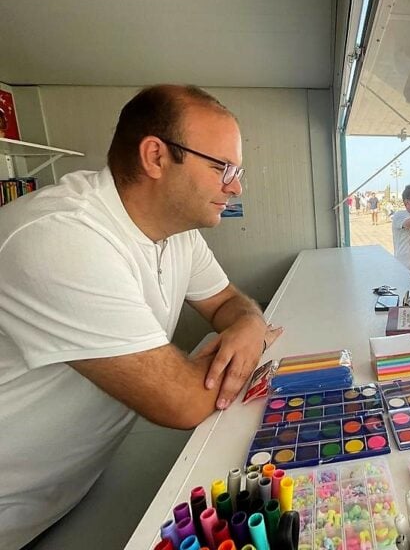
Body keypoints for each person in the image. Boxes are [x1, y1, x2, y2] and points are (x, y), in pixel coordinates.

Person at [0, 84, 283, 548]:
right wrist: (238, 341)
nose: (235, 186)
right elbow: (185, 402)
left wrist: (249, 326)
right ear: (155, 156)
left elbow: (229, 303)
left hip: (73, 491)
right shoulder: (60, 238)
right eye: (222, 168)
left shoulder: (177, 234)